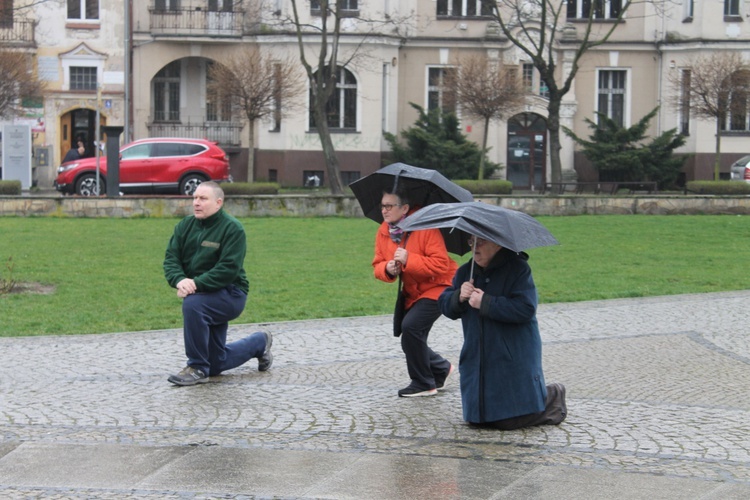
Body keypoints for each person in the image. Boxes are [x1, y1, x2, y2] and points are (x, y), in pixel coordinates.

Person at [438, 236, 567, 429]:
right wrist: (458, 296)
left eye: (480, 242)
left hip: (511, 354)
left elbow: (525, 308)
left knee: (507, 421)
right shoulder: (466, 271)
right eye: (471, 243)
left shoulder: (517, 269)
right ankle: (530, 401)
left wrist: (486, 303)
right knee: (476, 420)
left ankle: (552, 397)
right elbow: (445, 306)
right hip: (477, 355)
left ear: (497, 243)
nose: (475, 248)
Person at [163, 181, 273, 386]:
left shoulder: (232, 229)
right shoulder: (184, 226)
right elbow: (171, 260)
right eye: (195, 198)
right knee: (215, 363)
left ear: (218, 203)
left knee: (193, 305)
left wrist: (194, 284)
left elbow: (228, 269)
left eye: (203, 199)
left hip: (230, 294)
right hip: (203, 293)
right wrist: (180, 280)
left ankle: (196, 367)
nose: (196, 202)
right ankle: (260, 342)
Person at [372, 187, 456, 397]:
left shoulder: (426, 227)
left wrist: (410, 259)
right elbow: (377, 264)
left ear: (405, 208)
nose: (384, 210)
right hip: (413, 292)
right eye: (383, 205)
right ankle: (440, 369)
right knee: (410, 337)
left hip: (439, 286)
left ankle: (423, 383)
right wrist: (388, 269)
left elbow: (440, 264)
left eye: (389, 206)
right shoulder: (384, 231)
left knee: (411, 328)